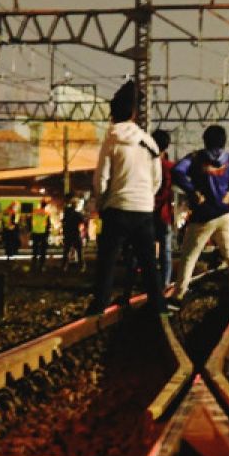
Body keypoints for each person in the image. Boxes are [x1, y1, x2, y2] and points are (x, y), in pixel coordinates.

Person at [86, 80, 166, 315]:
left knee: (108, 260)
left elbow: (101, 177)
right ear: (134, 113)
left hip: (117, 208)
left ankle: (99, 304)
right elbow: (157, 179)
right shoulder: (149, 142)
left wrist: (101, 201)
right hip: (143, 210)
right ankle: (158, 305)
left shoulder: (111, 140)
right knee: (148, 262)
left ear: (113, 114)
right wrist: (146, 198)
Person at [168, 124, 229, 308]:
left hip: (203, 216)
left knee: (189, 257)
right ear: (224, 141)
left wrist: (193, 191)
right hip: (224, 214)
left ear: (205, 140)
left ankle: (177, 297)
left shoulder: (196, 158)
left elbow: (177, 171)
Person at [151, 128, 176, 291]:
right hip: (164, 214)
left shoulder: (146, 164)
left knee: (145, 250)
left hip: (147, 213)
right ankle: (165, 283)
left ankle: (150, 282)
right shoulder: (170, 166)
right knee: (166, 252)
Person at [62, 196, 85, 271]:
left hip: (68, 234)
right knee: (79, 251)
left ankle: (64, 266)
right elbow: (82, 220)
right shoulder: (77, 214)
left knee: (66, 251)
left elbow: (63, 221)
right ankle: (81, 266)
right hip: (75, 234)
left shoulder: (66, 213)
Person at [30, 197, 51, 272]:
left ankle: (34, 261)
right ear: (45, 206)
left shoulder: (34, 212)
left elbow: (30, 221)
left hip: (35, 232)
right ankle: (42, 263)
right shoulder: (47, 214)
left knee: (35, 248)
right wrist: (48, 233)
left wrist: (31, 230)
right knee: (43, 249)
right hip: (43, 233)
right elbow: (48, 224)